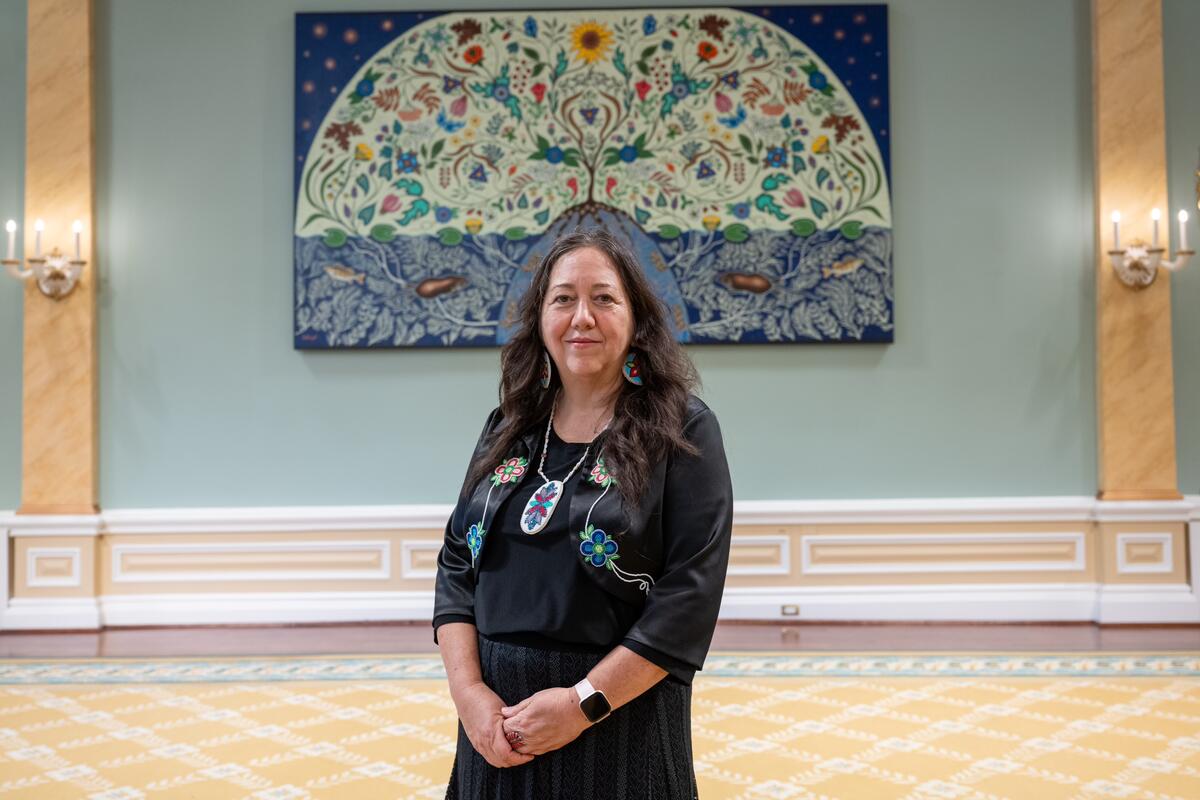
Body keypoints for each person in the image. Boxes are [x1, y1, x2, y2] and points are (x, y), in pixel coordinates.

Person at [433, 228, 734, 799]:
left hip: (620, 723)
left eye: (604, 298)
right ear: (541, 317)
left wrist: (580, 704)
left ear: (637, 319)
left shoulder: (684, 430)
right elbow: (455, 566)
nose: (582, 317)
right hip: (497, 730)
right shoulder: (509, 426)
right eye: (563, 298)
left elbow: (688, 598)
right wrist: (470, 696)